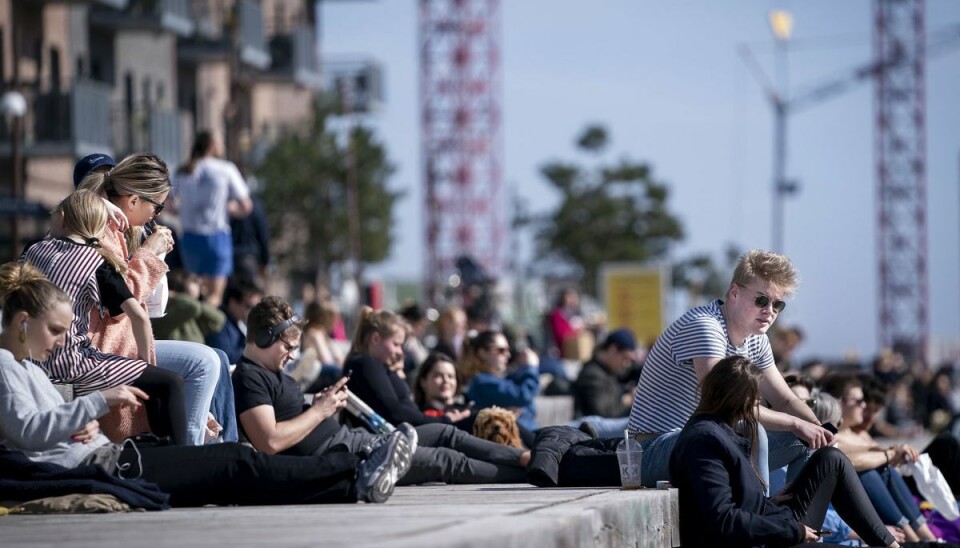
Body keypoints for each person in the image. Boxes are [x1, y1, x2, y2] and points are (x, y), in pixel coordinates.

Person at [0, 261, 409, 505]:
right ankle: (354, 474)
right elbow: (27, 431)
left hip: (113, 458)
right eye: (55, 330)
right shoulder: (4, 366)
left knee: (233, 463)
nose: (60, 341)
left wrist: (80, 422)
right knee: (234, 463)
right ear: (23, 322)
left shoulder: (30, 367)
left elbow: (45, 424)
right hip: (112, 467)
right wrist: (97, 403)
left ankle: (352, 476)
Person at [234, 297, 529, 485]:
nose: (293, 356)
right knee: (445, 461)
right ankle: (528, 475)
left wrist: (324, 405)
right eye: (288, 347)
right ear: (262, 337)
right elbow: (269, 441)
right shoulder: (250, 378)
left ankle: (521, 458)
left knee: (445, 433)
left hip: (354, 440)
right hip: (347, 456)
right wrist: (318, 410)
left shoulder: (273, 373)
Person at [628, 249, 831, 488]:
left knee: (809, 441)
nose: (770, 311)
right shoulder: (705, 326)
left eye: (778, 305)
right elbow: (725, 405)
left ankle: (797, 521)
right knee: (758, 435)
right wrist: (796, 423)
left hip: (702, 442)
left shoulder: (757, 339)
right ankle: (760, 518)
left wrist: (819, 430)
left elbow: (785, 400)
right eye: (761, 300)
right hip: (653, 448)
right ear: (734, 292)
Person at [669, 356, 898, 548]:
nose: (757, 402)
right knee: (833, 460)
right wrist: (794, 531)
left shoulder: (716, 432)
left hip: (768, 527)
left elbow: (734, 503)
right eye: (754, 397)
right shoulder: (705, 441)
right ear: (737, 399)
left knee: (830, 459)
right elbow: (723, 520)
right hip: (762, 540)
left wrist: (765, 503)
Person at [21, 191, 188, 445]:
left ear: (62, 218)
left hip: (31, 357)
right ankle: (179, 456)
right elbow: (139, 317)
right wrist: (145, 366)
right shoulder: (97, 262)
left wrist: (97, 205)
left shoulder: (33, 251)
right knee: (168, 383)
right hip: (72, 362)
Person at [79, 153, 223, 446]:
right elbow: (119, 307)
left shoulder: (120, 229)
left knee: (210, 360)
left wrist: (150, 254)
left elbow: (152, 306)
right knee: (205, 362)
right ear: (133, 201)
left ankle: (204, 447)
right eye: (157, 207)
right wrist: (148, 253)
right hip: (103, 349)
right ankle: (191, 456)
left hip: (122, 343)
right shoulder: (101, 232)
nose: (157, 215)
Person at [821, 374, 940, 542]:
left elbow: (863, 449)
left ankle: (925, 540)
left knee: (884, 468)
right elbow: (846, 455)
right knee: (870, 471)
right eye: (859, 402)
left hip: (876, 501)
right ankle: (918, 540)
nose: (864, 407)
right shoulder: (829, 436)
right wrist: (889, 454)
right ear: (838, 402)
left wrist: (892, 452)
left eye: (873, 409)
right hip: (852, 509)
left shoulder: (857, 434)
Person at [346, 308, 470, 427]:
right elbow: (396, 413)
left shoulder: (377, 366)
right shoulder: (366, 364)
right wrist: (444, 420)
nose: (400, 352)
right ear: (376, 339)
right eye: (396, 344)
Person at [170, 131, 253, 308]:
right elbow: (246, 205)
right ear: (212, 145)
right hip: (217, 236)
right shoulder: (225, 169)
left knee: (192, 292)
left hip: (190, 237)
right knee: (215, 297)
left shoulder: (183, 171)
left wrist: (183, 211)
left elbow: (167, 203)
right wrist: (229, 208)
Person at [461, 330, 540, 432]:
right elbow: (523, 395)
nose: (508, 355)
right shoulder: (482, 382)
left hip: (528, 432)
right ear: (482, 353)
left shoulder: (500, 379)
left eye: (508, 350)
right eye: (501, 350)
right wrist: (530, 367)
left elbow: (529, 407)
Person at [572, 328, 635, 437]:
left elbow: (635, 369)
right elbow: (603, 413)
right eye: (625, 358)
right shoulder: (592, 375)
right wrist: (628, 399)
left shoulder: (609, 370)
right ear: (613, 349)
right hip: (591, 431)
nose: (627, 364)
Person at [205, 279, 263, 364]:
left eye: (257, 308)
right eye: (249, 306)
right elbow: (225, 357)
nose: (254, 312)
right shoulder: (219, 324)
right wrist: (254, 349)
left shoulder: (241, 322)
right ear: (233, 303)